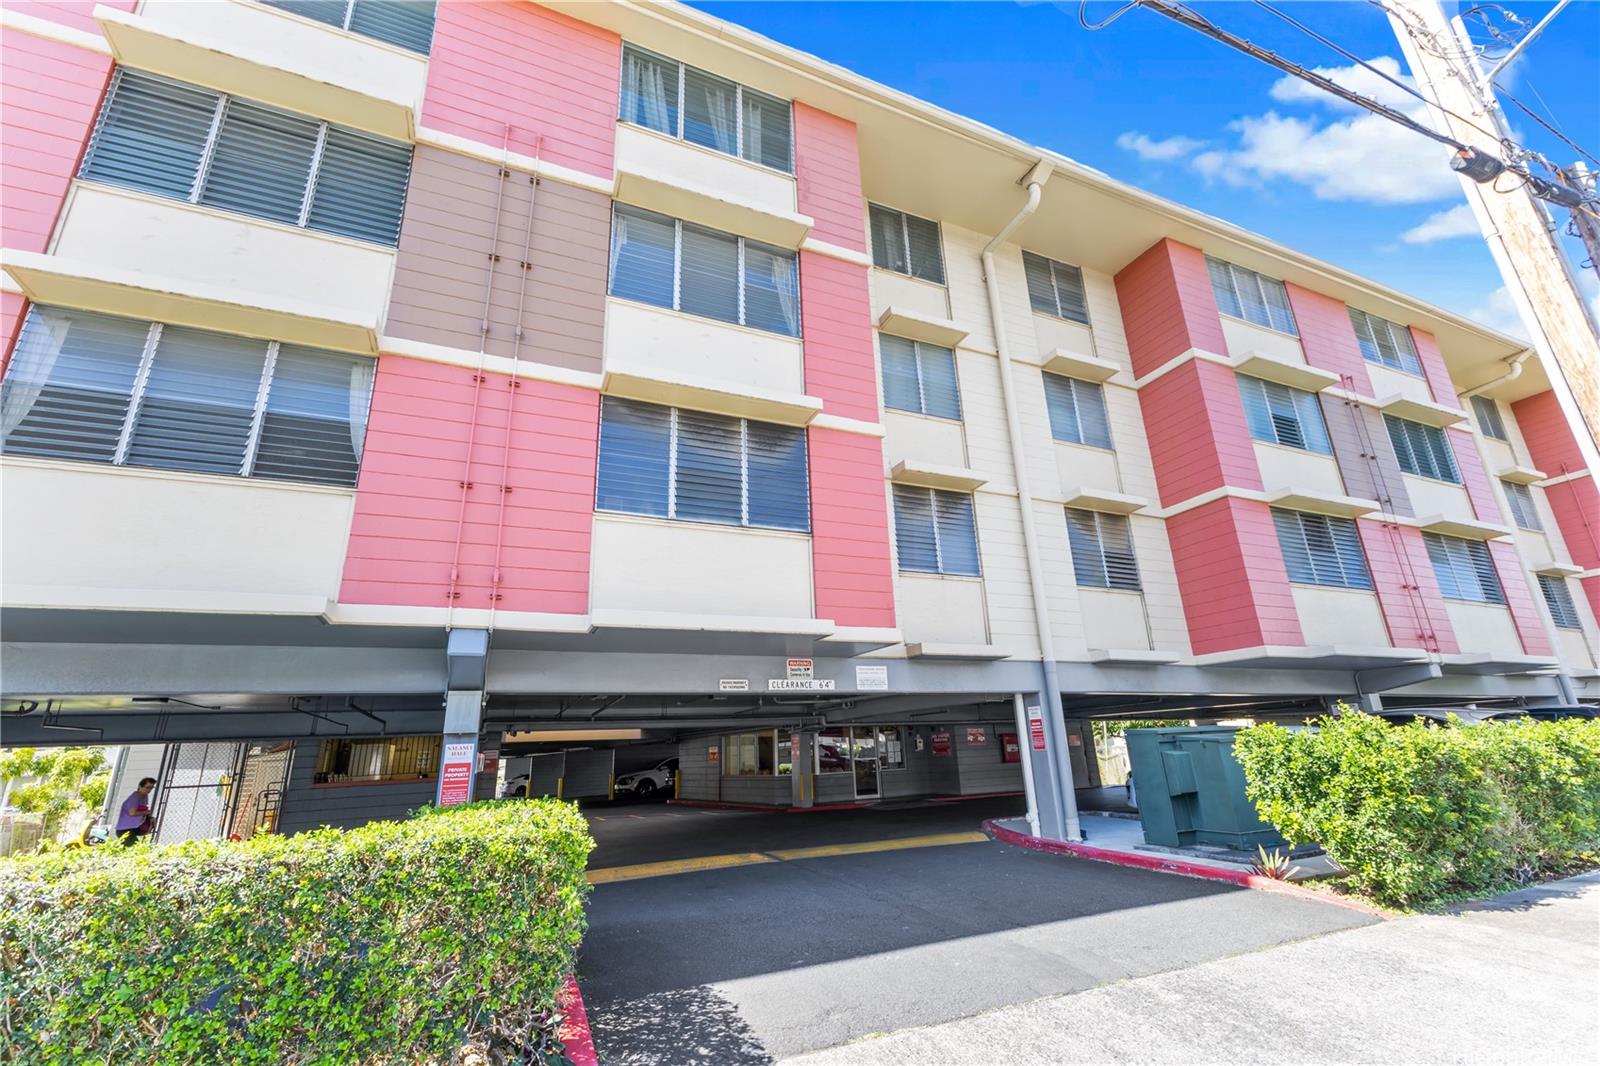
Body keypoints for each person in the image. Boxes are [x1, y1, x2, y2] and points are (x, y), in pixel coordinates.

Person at [115, 777, 156, 845]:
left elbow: (144, 810)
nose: (149, 790)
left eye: (151, 788)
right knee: (135, 848)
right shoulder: (134, 798)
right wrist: (145, 812)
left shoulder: (145, 796)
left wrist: (150, 818)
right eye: (147, 787)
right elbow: (132, 813)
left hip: (135, 828)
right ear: (140, 787)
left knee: (141, 845)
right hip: (124, 830)